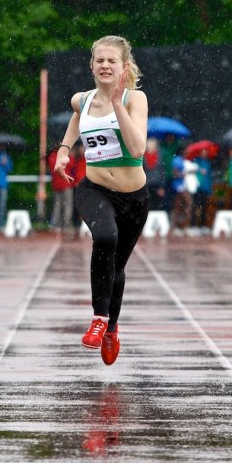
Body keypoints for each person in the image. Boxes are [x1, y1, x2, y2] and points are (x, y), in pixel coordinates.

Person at [53, 35, 148, 366]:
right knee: (105, 237)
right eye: (100, 60)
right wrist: (64, 151)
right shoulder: (81, 100)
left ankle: (111, 328)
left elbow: (137, 149)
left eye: (112, 61)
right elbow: (76, 119)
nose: (105, 66)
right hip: (94, 188)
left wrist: (118, 104)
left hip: (133, 198)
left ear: (124, 67)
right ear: (92, 65)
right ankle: (98, 318)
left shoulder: (136, 99)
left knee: (116, 268)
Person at [47, 144, 76, 231]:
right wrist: (71, 156)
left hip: (57, 185)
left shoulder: (52, 157)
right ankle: (66, 224)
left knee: (57, 205)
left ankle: (56, 224)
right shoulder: (64, 157)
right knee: (67, 205)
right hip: (66, 184)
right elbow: (72, 164)